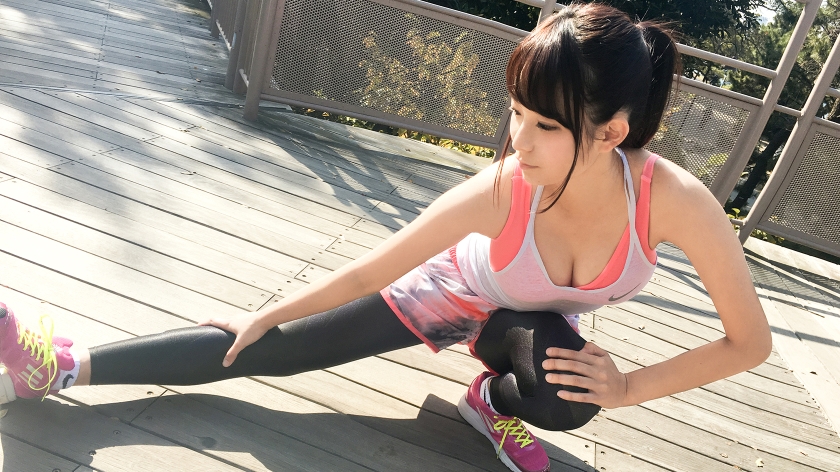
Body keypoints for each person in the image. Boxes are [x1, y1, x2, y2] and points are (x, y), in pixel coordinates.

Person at [0, 4, 771, 472]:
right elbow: (375, 268)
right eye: (515, 112)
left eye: (544, 125)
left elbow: (749, 342)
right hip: (449, 290)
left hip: (525, 327)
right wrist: (270, 314)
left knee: (572, 402)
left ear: (611, 134)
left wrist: (630, 387)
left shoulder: (673, 203)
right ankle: (62, 365)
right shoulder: (502, 189)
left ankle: (488, 401)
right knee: (270, 349)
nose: (517, 140)